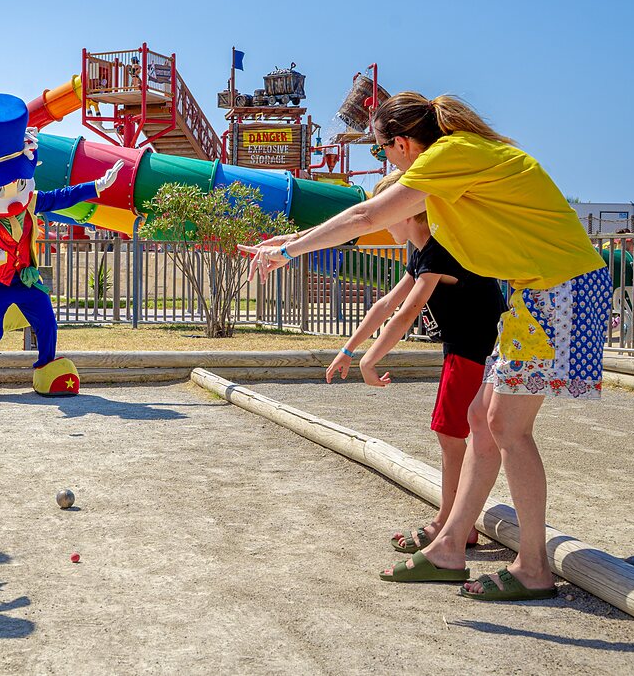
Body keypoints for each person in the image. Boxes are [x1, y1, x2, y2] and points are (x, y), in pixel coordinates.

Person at [242, 92, 610, 602]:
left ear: (400, 144)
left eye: (384, 153)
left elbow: (364, 218)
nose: (388, 165)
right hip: (541, 293)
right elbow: (373, 222)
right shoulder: (453, 168)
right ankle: (451, 544)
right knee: (482, 418)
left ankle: (533, 566)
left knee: (507, 426)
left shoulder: (450, 156)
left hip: (562, 290)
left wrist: (286, 248)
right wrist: (285, 243)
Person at [325, 170, 505, 556]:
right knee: (450, 433)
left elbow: (407, 313)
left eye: (384, 213)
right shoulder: (424, 251)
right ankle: (458, 520)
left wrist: (369, 361)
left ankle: (452, 522)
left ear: (407, 212)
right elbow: (385, 305)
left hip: (475, 349)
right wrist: (348, 350)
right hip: (463, 347)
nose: (380, 221)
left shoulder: (441, 249)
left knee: (450, 433)